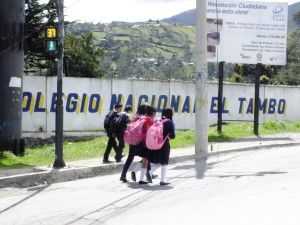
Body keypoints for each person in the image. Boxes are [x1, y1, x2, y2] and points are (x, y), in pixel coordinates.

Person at [148, 107, 176, 186]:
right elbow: (173, 135)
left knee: (160, 161)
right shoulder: (169, 122)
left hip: (156, 143)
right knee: (164, 162)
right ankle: (162, 180)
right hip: (164, 144)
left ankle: (149, 172)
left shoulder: (158, 120)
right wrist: (169, 137)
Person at [119, 104, 147, 182]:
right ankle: (149, 173)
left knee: (130, 158)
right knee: (146, 157)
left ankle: (123, 175)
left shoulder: (134, 117)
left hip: (132, 141)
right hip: (140, 141)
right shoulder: (143, 118)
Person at [138, 105, 156, 184]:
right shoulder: (149, 120)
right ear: (153, 113)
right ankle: (141, 179)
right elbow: (149, 132)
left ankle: (141, 178)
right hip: (146, 142)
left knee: (144, 160)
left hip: (141, 141)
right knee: (145, 161)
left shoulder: (143, 117)